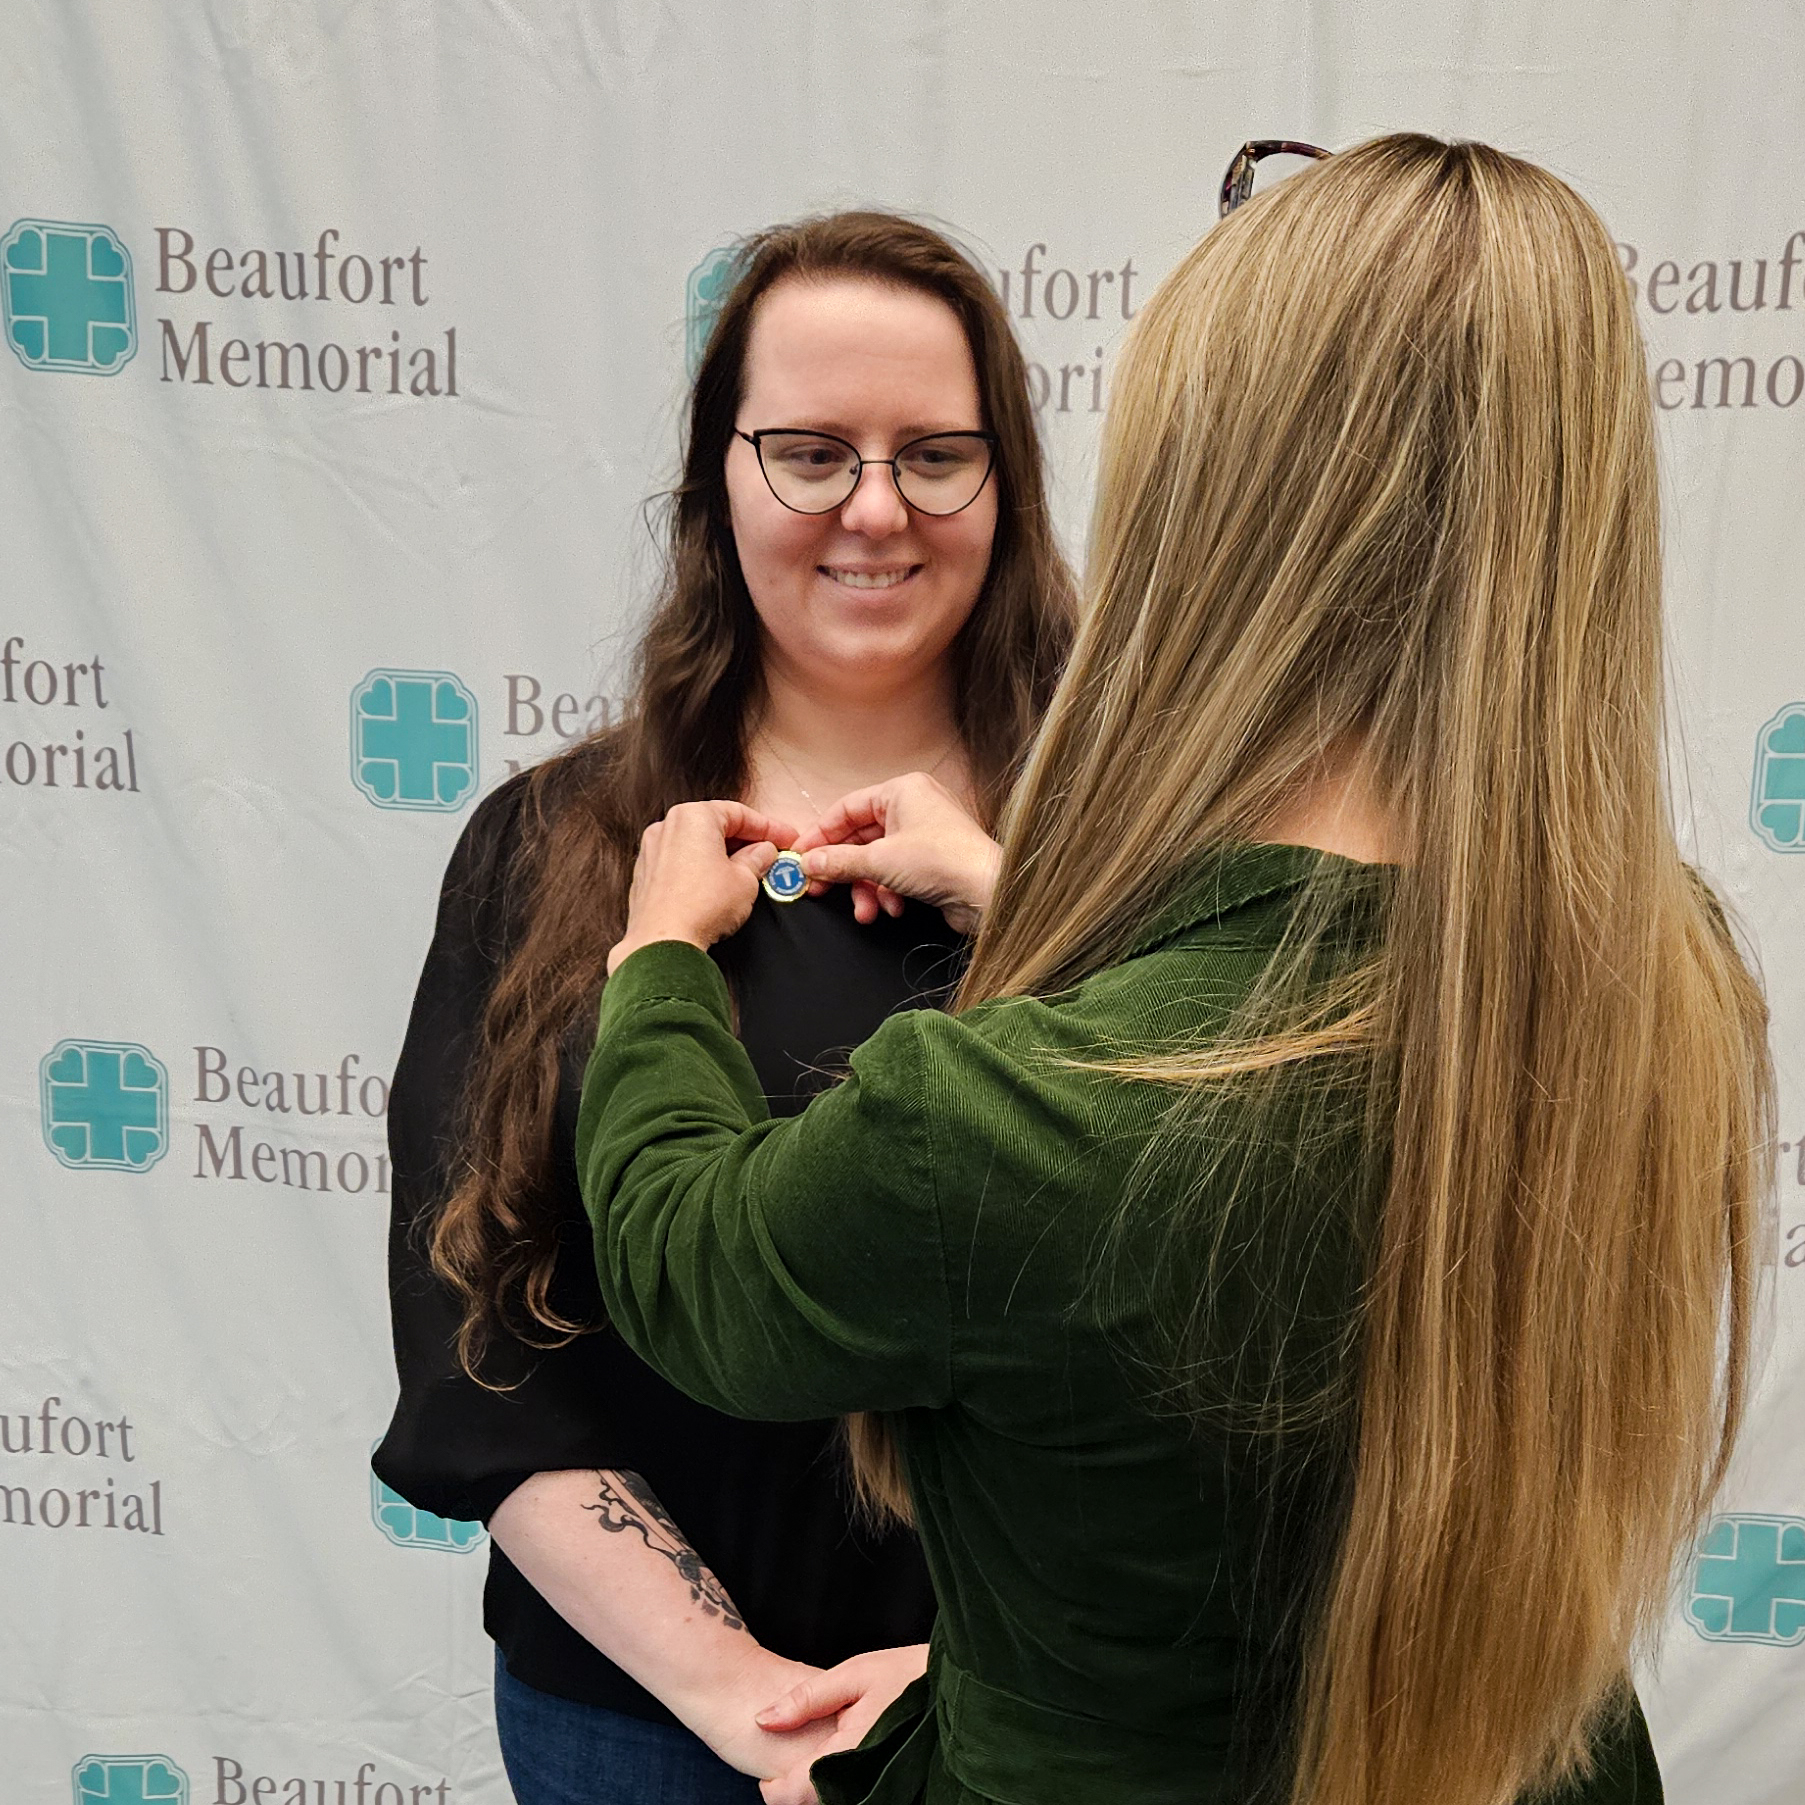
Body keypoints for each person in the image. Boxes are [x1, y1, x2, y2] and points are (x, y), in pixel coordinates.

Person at [575, 134, 1774, 1805]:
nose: (874, 505)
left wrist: (652, 966)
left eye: (934, 453)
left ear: (1206, 505)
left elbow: (693, 1264)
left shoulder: (1003, 1119)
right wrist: (1038, 895)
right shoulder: (1669, 985)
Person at [372, 210, 1075, 1805]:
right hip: (628, 1719)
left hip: (1028, 1714)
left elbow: (1208, 1294)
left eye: (936, 455)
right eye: (811, 452)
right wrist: (738, 1691)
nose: (875, 510)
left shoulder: (1117, 853)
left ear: (1006, 486)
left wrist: (1019, 895)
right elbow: (474, 1325)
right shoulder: (549, 849)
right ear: (716, 482)